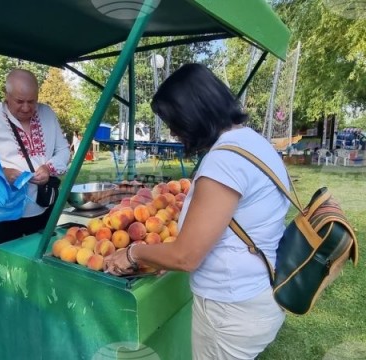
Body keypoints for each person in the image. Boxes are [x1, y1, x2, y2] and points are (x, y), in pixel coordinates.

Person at [103, 64, 290, 359]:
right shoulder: (254, 143)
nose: (174, 132)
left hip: (231, 310)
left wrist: (133, 253)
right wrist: (165, 253)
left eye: (174, 122)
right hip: (259, 292)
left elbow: (186, 256)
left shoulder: (224, 161)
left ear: (194, 115)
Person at [0, 69, 70, 243]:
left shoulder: (47, 114)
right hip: (5, 212)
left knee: (45, 256)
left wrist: (48, 168)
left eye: (32, 101)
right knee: (10, 264)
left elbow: (64, 150)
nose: (26, 108)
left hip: (43, 205)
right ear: (6, 94)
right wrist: (2, 173)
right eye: (19, 101)